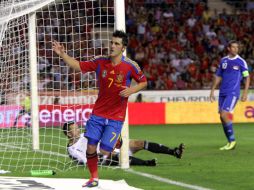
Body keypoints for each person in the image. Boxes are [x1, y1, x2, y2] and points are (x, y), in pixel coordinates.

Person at [53, 30, 147, 187]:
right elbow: (78, 66)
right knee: (90, 146)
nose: (112, 46)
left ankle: (117, 140)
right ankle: (94, 178)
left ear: (123, 48)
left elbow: (144, 82)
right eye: (111, 42)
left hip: (116, 116)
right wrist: (62, 54)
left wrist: (132, 90)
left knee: (104, 151)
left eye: (116, 43)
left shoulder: (130, 66)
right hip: (98, 113)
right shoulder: (100, 62)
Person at [62, 122, 184, 166]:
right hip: (103, 158)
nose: (78, 129)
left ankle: (174, 152)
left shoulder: (85, 135)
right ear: (68, 133)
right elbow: (85, 161)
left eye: (77, 127)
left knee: (139, 143)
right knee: (118, 157)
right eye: (74, 128)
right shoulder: (72, 149)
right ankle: (146, 163)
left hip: (110, 148)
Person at [209, 40, 250, 151]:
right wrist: (212, 90)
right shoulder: (223, 61)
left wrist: (245, 93)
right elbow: (218, 76)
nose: (236, 49)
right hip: (222, 92)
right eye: (233, 47)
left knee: (224, 114)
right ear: (228, 48)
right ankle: (230, 142)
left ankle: (232, 141)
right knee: (222, 117)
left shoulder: (241, 61)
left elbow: (247, 77)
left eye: (237, 47)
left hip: (233, 92)